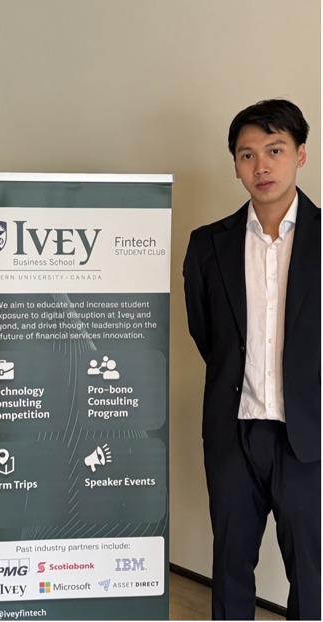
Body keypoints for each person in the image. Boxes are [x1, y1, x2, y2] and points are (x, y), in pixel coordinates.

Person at [183, 99, 320, 620]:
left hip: (306, 437)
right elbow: (208, 336)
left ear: (300, 154)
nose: (261, 166)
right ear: (235, 163)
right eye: (247, 154)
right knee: (231, 565)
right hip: (233, 433)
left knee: (310, 573)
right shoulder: (206, 246)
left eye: (274, 150)